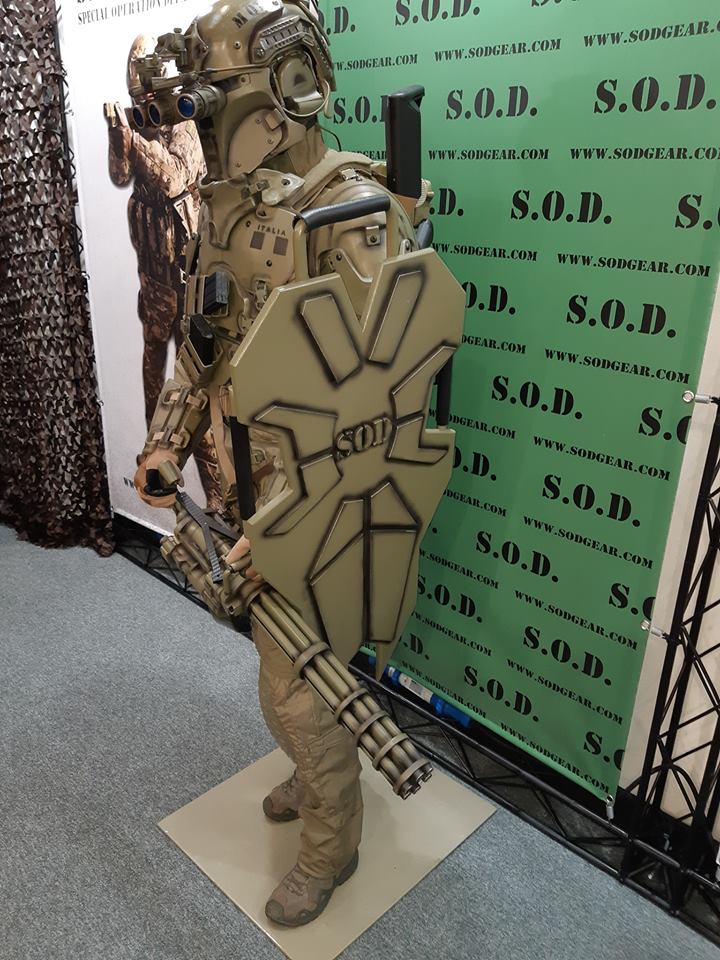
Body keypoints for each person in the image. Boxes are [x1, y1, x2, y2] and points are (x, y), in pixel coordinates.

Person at [131, 0, 426, 926]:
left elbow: (378, 404)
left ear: (286, 93)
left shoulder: (352, 214)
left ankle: (333, 847)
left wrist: (287, 526)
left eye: (220, 105)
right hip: (251, 481)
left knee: (297, 689)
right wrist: (166, 440)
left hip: (325, 499)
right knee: (283, 675)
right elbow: (204, 342)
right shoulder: (231, 209)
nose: (209, 130)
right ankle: (316, 775)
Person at [105, 36, 221, 510]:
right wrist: (120, 136)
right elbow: (119, 174)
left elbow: (174, 177)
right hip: (154, 279)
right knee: (154, 374)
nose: (145, 104)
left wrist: (136, 140)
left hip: (189, 281)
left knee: (192, 392)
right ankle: (156, 469)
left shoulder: (184, 122)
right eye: (139, 96)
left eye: (150, 94)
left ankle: (219, 496)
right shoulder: (142, 124)